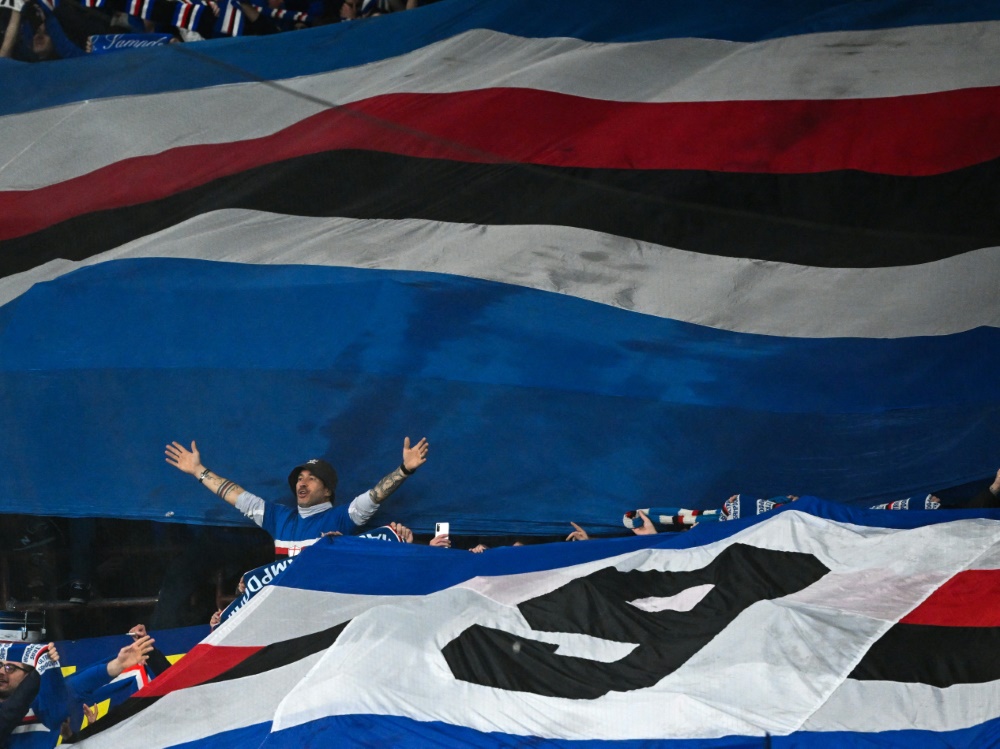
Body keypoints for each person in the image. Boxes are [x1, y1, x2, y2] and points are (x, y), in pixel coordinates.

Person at [165, 437, 429, 558]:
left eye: (311, 478)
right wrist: (198, 470)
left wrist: (404, 469)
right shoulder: (278, 517)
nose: (302, 483)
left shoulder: (341, 517)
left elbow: (375, 495)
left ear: (328, 491)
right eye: (299, 479)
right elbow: (235, 494)